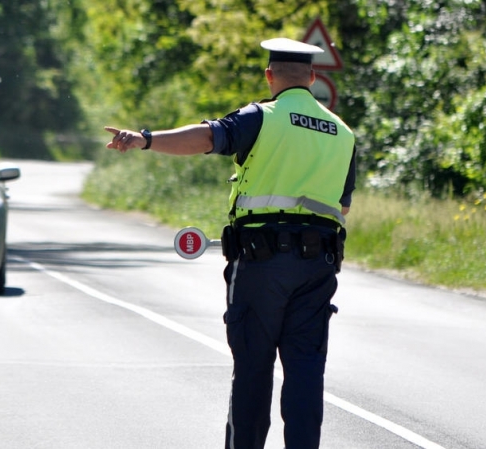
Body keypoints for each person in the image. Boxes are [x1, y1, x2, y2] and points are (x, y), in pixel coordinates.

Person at [104, 37, 356, 449]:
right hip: (318, 266)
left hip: (260, 264)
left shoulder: (263, 117)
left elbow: (207, 138)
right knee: (307, 370)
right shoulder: (343, 134)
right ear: (312, 77)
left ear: (269, 76)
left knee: (254, 368)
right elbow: (342, 206)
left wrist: (145, 139)